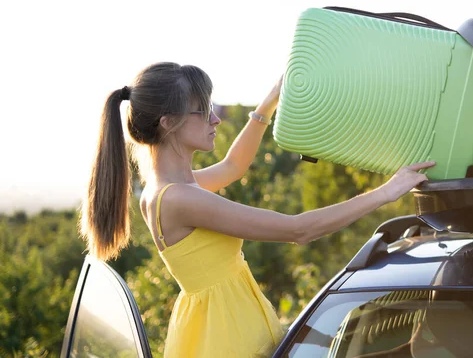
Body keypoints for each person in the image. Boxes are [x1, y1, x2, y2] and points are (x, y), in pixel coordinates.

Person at [79, 62, 436, 358]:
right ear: (168, 122)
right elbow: (299, 230)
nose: (215, 119)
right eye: (203, 111)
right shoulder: (180, 199)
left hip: (218, 326)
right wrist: (386, 192)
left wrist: (269, 101)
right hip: (228, 337)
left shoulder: (168, 191)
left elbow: (233, 166)